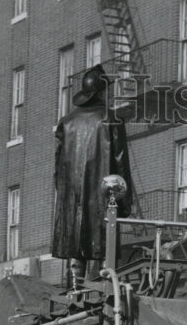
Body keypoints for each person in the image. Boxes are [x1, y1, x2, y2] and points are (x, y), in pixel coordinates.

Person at [52, 64, 134, 284]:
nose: (110, 95)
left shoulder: (66, 123)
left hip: (70, 207)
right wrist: (125, 205)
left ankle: (75, 290)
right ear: (101, 92)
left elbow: (58, 171)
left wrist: (63, 203)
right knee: (103, 261)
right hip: (103, 205)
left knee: (75, 262)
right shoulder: (112, 120)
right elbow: (121, 165)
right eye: (108, 91)